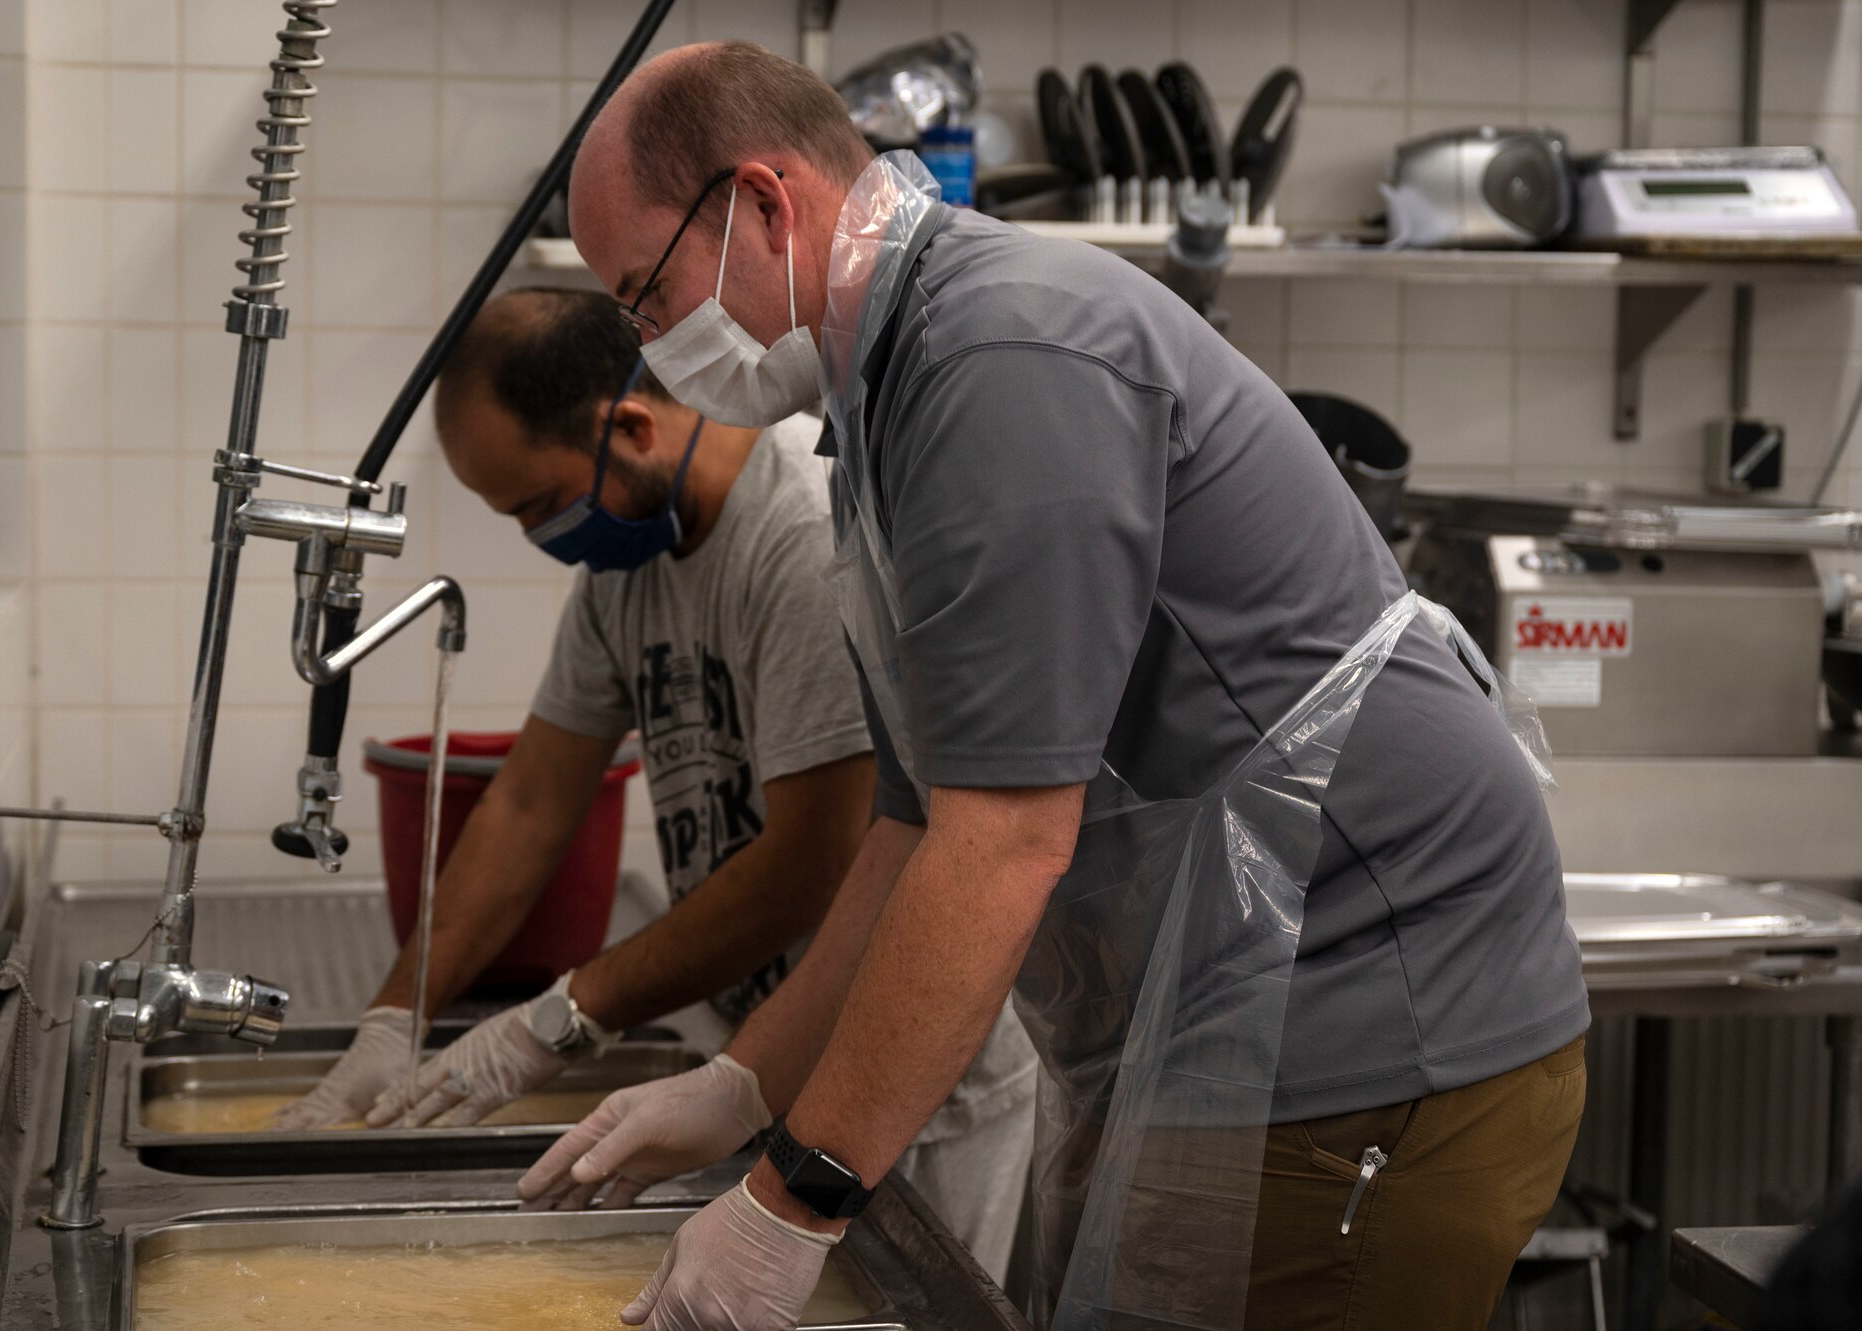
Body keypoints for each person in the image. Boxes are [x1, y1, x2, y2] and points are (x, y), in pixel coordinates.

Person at [524, 40, 1591, 1331]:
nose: (650, 348)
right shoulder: (888, 396)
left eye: (646, 295)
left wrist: (792, 1199)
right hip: (1222, 1034)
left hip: (1377, 1026)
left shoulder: (1000, 356)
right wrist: (752, 1084)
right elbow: (913, 827)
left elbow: (1003, 843)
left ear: (761, 202)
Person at [271, 287, 1038, 1279]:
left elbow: (814, 857)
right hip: (761, 1051)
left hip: (899, 1079)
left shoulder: (802, 539)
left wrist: (563, 1016)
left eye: (538, 504)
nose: (536, 535)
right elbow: (532, 798)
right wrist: (394, 1014)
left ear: (629, 426)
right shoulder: (626, 566)